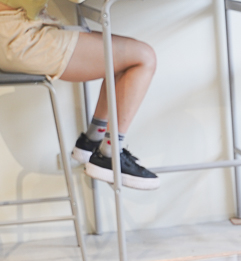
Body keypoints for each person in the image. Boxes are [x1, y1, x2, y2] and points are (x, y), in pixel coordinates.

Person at [0, 0, 159, 189]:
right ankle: (109, 154)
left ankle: (92, 141)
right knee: (143, 57)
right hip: (18, 38)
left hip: (13, 33)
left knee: (118, 58)